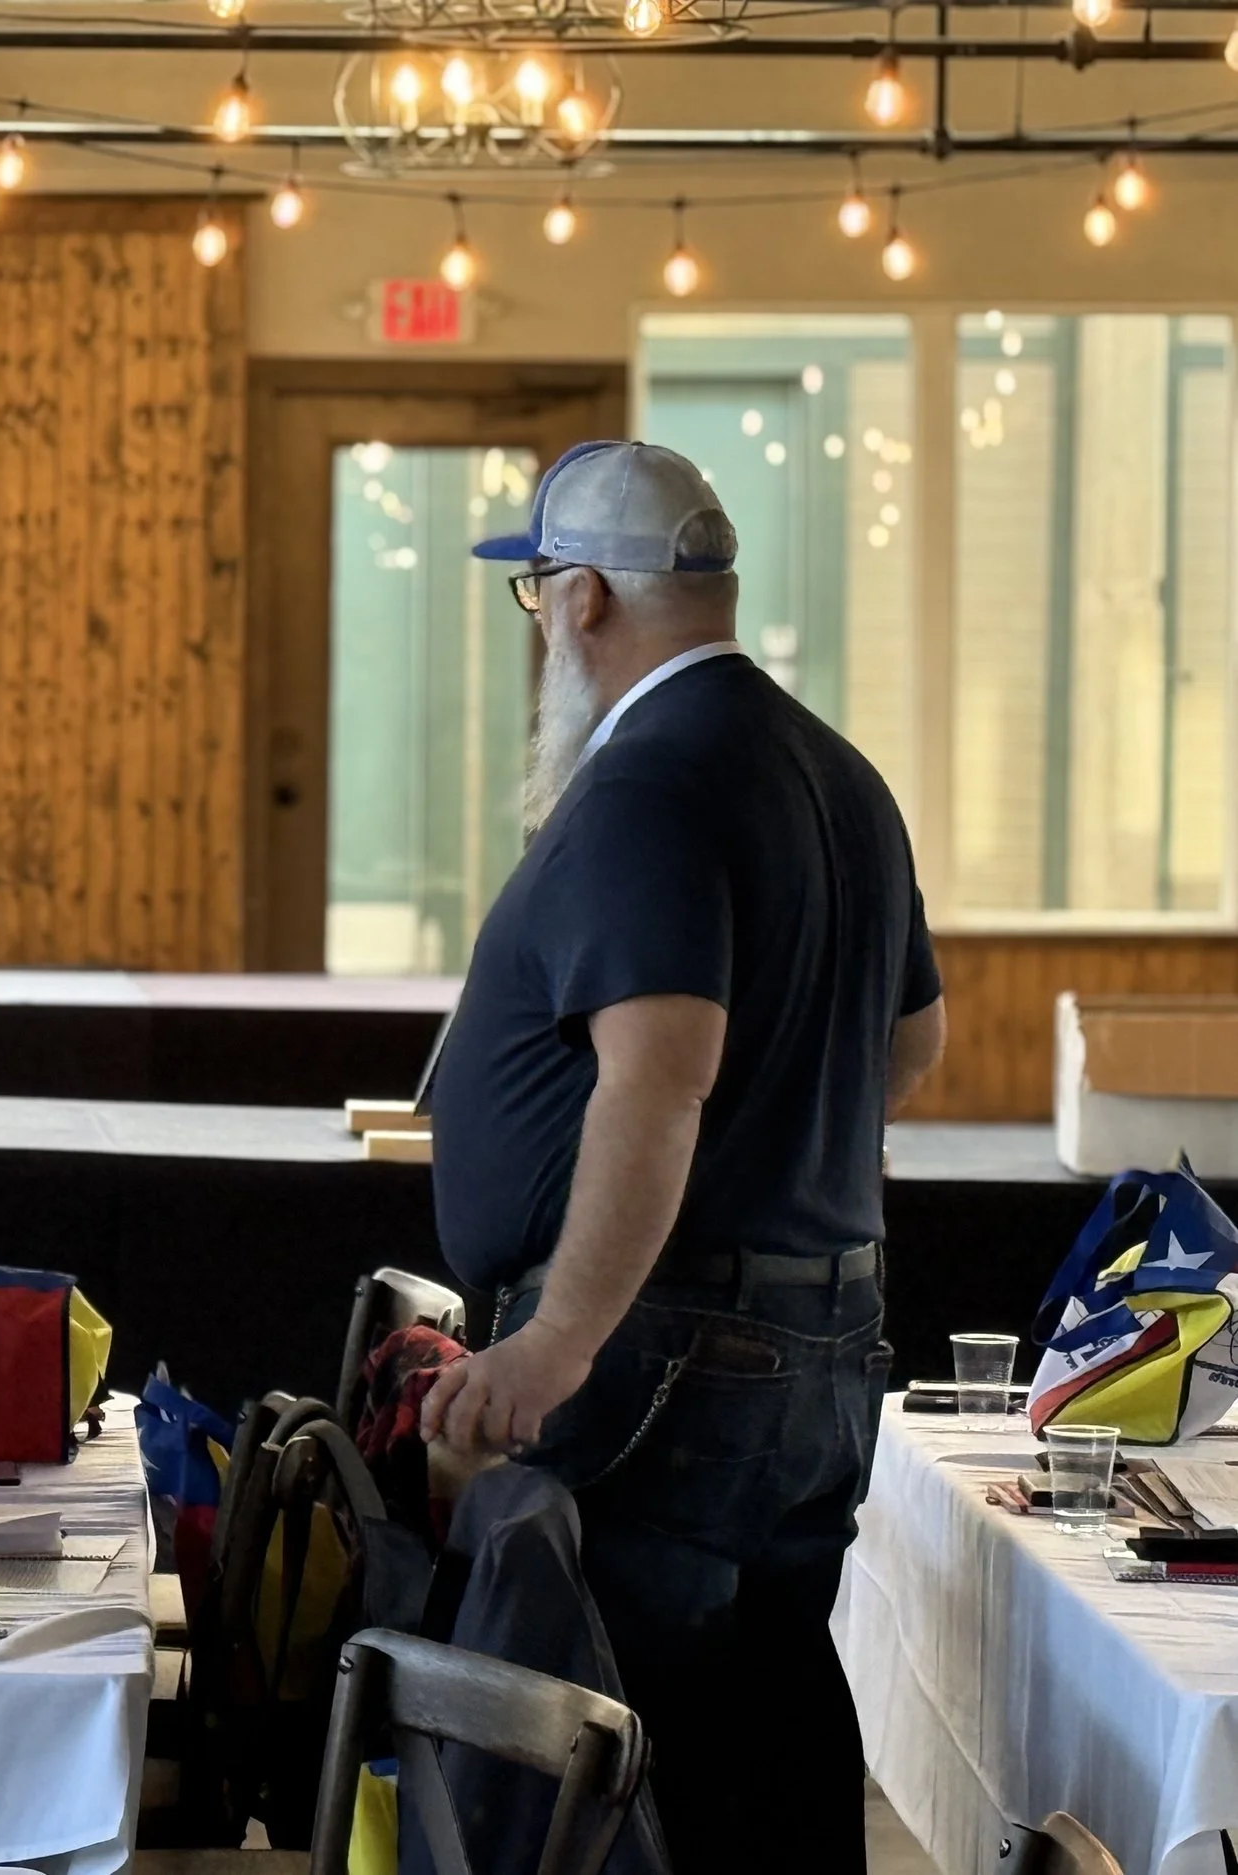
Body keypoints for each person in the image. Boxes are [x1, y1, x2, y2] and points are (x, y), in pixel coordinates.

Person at [418, 441, 947, 1875]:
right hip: (816, 1331)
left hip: (668, 1351)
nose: (538, 628)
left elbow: (659, 1080)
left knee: (625, 1747)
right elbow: (912, 1046)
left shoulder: (648, 780)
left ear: (583, 596)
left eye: (536, 592)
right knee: (765, 1702)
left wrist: (554, 1344)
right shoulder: (836, 771)